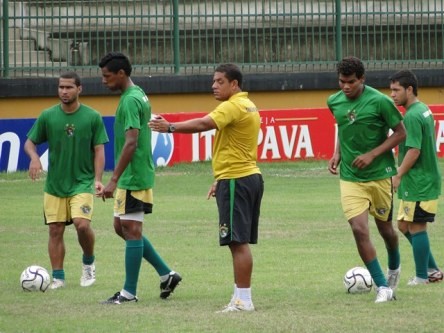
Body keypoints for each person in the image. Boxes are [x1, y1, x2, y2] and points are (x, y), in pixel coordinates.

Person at [149, 63, 264, 312]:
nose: (214, 85)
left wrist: (170, 127)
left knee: (237, 241)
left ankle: (244, 300)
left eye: (220, 81)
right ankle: (240, 297)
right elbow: (237, 146)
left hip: (237, 179)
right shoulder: (247, 105)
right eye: (213, 81)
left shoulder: (232, 106)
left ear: (234, 84)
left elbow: (203, 124)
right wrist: (218, 179)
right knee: (237, 240)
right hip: (243, 177)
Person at [98, 52, 182, 304]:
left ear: (121, 74)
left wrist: (113, 179)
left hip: (133, 176)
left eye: (107, 76)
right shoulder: (138, 93)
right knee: (120, 227)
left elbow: (131, 142)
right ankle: (167, 274)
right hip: (133, 175)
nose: (103, 81)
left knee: (131, 230)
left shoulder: (130, 101)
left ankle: (128, 292)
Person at [327, 56, 406, 303]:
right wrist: (337, 153)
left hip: (380, 176)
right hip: (351, 178)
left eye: (351, 82)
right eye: (342, 82)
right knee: (359, 229)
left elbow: (401, 133)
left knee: (386, 230)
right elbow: (342, 125)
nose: (346, 87)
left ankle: (394, 268)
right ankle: (382, 286)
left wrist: (372, 154)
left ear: (362, 79)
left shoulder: (380, 102)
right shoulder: (334, 101)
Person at [24, 71, 109, 290]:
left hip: (82, 182)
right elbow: (29, 143)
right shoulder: (48, 116)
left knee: (82, 225)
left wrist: (98, 180)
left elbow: (99, 150)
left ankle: (88, 263)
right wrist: (34, 158)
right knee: (55, 230)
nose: (64, 91)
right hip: (55, 185)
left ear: (79, 89)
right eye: (61, 87)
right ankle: (58, 277)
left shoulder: (92, 117)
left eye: (69, 87)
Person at [389, 69, 443, 285]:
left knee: (417, 227)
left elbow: (414, 150)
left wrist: (398, 175)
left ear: (409, 89)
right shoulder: (423, 109)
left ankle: (422, 276)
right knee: (403, 226)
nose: (392, 95)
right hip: (420, 180)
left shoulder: (411, 116)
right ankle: (432, 269)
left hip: (420, 181)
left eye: (396, 90)